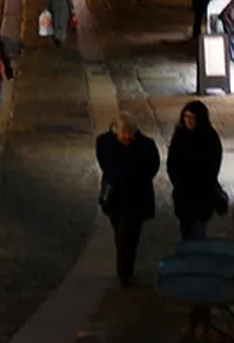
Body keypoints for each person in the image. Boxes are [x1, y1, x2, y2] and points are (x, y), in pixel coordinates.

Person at [95, 112, 160, 286]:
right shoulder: (105, 144)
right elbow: (107, 166)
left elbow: (153, 167)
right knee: (121, 233)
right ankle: (125, 269)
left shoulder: (145, 146)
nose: (127, 137)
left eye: (130, 133)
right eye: (124, 133)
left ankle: (125, 272)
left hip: (136, 198)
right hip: (116, 197)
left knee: (129, 235)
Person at [166, 99, 224, 240]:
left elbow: (213, 166)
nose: (189, 121)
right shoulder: (180, 135)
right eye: (186, 117)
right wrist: (177, 182)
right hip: (183, 194)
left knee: (198, 233)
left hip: (201, 195)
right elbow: (172, 162)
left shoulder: (209, 138)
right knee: (185, 231)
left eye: (192, 118)